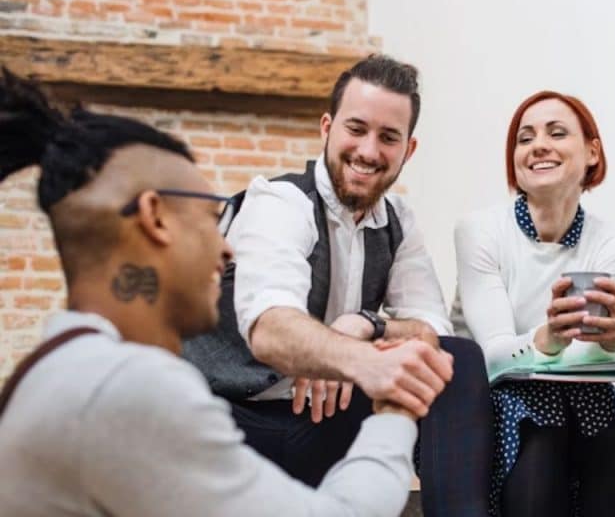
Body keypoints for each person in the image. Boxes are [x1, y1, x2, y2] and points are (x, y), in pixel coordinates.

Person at [0, 68, 454, 516]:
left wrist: (369, 328)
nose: (227, 248)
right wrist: (394, 411)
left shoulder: (63, 366)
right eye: (209, 217)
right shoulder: (128, 389)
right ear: (155, 219)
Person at [181, 54, 493, 516]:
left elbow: (432, 329)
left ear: (408, 150)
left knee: (458, 359)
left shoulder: (399, 223)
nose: (369, 151)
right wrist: (354, 360)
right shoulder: (280, 202)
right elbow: (270, 328)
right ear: (326, 128)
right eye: (356, 129)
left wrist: (366, 325)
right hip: (235, 426)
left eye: (388, 137)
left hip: (322, 426)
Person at [452, 91, 615, 516]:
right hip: (497, 396)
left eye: (556, 133)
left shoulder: (611, 243)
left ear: (592, 152)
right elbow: (494, 360)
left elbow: (590, 357)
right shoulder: (479, 231)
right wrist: (547, 338)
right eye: (525, 138)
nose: (538, 145)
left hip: (581, 397)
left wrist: (614, 340)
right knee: (539, 443)